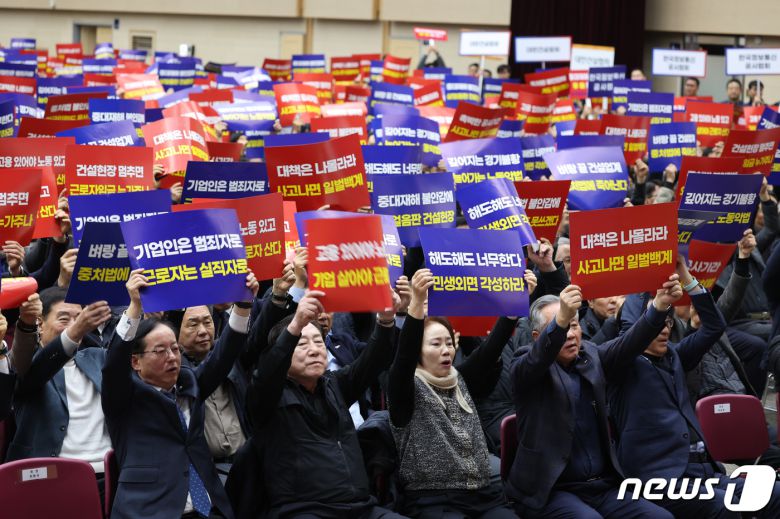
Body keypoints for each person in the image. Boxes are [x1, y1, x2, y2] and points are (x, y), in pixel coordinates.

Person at [610, 258, 780, 517]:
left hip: (702, 472)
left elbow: (714, 326)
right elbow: (635, 330)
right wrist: (650, 288)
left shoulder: (676, 356)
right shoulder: (621, 364)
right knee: (727, 506)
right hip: (659, 480)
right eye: (657, 323)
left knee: (773, 492)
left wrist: (687, 278)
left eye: (668, 322)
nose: (664, 329)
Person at [507, 274, 683, 519]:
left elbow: (630, 342)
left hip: (602, 485)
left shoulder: (590, 356)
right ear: (538, 337)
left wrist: (660, 305)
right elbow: (538, 359)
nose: (570, 334)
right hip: (552, 490)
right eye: (561, 326)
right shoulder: (526, 365)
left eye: (575, 325)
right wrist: (561, 320)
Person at [102, 269, 259, 519]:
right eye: (160, 351)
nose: (172, 357)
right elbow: (113, 365)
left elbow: (225, 354)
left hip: (209, 509)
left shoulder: (190, 384)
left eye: (175, 348)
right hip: (150, 511)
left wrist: (242, 304)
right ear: (136, 362)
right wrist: (134, 307)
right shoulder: (124, 397)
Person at [247, 288, 405, 518]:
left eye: (318, 342)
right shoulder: (267, 396)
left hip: (361, 507)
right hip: (304, 511)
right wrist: (296, 324)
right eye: (302, 344)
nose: (314, 350)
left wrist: (387, 318)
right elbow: (267, 373)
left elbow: (374, 359)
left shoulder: (335, 385)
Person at [388, 268, 517, 518]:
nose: (446, 350)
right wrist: (416, 302)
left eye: (449, 342)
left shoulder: (459, 379)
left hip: (484, 495)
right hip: (436, 501)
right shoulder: (405, 387)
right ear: (418, 351)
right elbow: (403, 356)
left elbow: (489, 351)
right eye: (436, 344)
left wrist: (512, 311)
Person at [8, 287, 112, 500]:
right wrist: (74, 331)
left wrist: (136, 311)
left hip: (108, 477)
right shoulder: (26, 366)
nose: (75, 325)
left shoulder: (98, 357)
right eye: (64, 319)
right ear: (40, 323)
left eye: (80, 318)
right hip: (51, 481)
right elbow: (26, 372)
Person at [178, 305, 251, 478]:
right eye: (193, 324)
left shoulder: (235, 358)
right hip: (206, 471)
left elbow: (261, 334)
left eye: (207, 321)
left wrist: (278, 298)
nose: (203, 331)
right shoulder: (175, 371)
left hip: (247, 462)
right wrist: (242, 309)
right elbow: (218, 361)